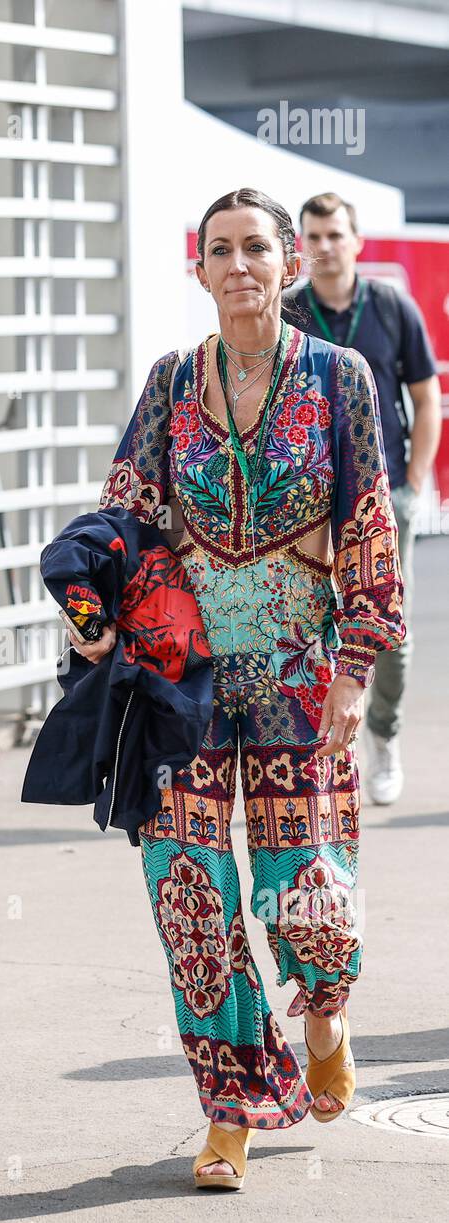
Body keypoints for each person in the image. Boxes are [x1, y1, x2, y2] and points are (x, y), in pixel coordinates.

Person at [77, 188, 405, 1190]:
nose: (238, 264)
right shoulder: (172, 381)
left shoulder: (338, 376)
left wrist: (357, 665)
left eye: (255, 247)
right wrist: (89, 603)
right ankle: (229, 1108)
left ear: (288, 265)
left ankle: (324, 1017)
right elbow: (123, 515)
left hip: (301, 676)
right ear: (198, 268)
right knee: (188, 889)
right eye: (218, 249)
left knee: (300, 890)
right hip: (180, 683)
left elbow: (366, 523)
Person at [282, 192, 441, 805]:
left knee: (386, 631)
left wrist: (414, 485)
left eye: (334, 235)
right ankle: (315, 754)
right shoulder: (288, 311)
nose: (324, 247)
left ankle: (383, 732)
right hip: (305, 502)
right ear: (302, 246)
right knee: (309, 627)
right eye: (313, 237)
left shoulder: (391, 307)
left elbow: (425, 399)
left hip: (382, 496)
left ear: (356, 242)